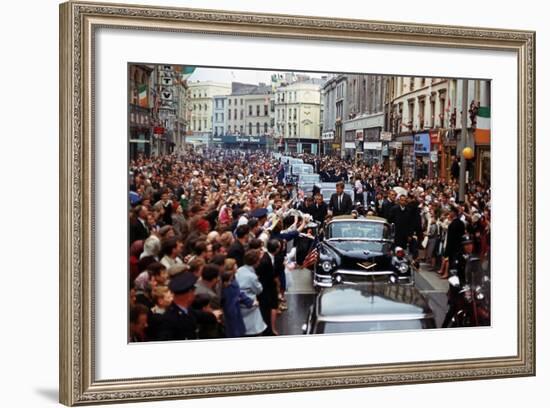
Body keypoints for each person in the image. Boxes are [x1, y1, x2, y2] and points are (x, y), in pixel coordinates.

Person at [157, 271, 218, 341]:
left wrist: (213, 315)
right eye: (193, 290)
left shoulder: (186, 309)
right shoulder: (168, 320)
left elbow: (198, 315)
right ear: (189, 294)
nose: (195, 293)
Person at [441, 235, 474, 328]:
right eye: (466, 245)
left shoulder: (474, 258)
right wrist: (457, 283)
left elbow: (479, 271)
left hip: (472, 288)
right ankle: (443, 327)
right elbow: (453, 272)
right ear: (462, 246)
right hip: (459, 288)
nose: (469, 247)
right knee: (454, 308)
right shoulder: (457, 258)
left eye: (470, 244)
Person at [235, 249, 267, 336]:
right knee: (254, 330)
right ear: (256, 262)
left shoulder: (239, 269)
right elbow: (259, 290)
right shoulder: (252, 276)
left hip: (240, 303)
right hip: (250, 305)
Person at [221, 258, 254, 338]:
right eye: (234, 265)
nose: (237, 266)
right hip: (232, 312)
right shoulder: (229, 283)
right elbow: (232, 302)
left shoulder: (232, 278)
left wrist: (249, 301)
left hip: (235, 310)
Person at [255, 239, 281, 335]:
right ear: (277, 249)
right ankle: (269, 330)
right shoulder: (265, 261)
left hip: (269, 287)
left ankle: (269, 328)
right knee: (268, 309)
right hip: (266, 289)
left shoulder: (268, 257)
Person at [442, 206, 466, 278]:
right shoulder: (461, 223)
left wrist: (447, 252)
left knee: (453, 269)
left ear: (454, 213)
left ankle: (453, 287)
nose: (449, 213)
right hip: (460, 249)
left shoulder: (452, 225)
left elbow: (450, 240)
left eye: (451, 212)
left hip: (453, 250)